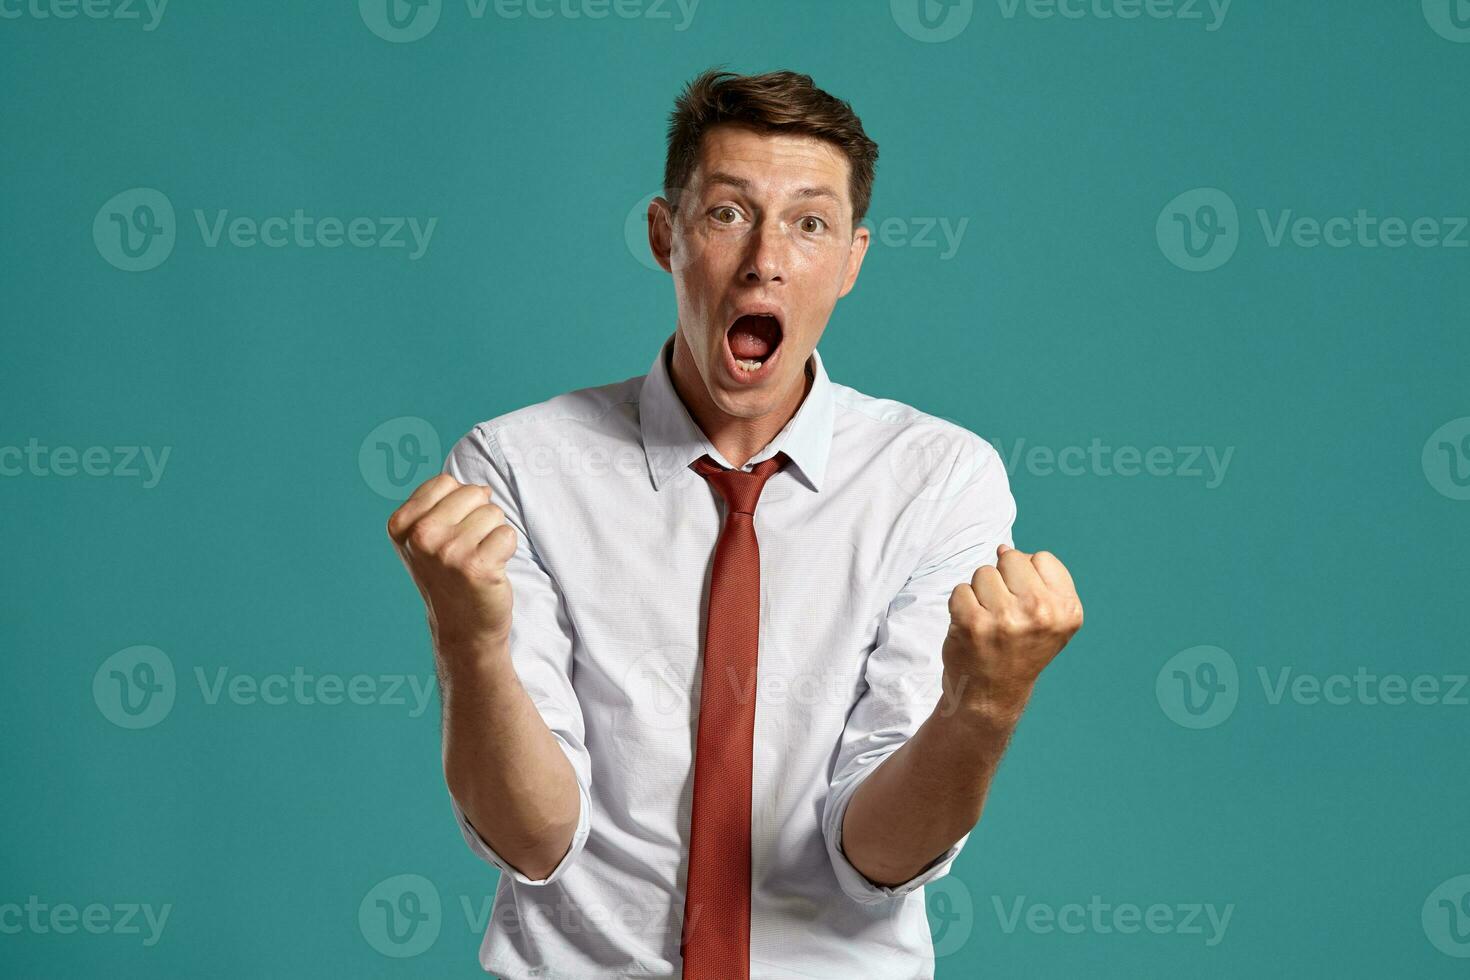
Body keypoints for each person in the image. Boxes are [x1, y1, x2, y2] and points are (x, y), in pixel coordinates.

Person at [387, 67, 1083, 980]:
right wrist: (466, 641)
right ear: (664, 235)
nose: (766, 259)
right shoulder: (519, 467)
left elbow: (875, 857)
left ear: (851, 260)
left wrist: (983, 706)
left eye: (810, 222)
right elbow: (535, 840)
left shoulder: (940, 480)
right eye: (726, 213)